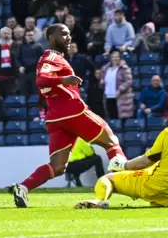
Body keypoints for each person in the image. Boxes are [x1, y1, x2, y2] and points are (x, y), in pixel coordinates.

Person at [8, 23, 127, 208]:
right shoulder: (52, 56)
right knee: (111, 141)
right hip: (72, 111)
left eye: (69, 34)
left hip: (55, 118)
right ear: (51, 37)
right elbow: (40, 80)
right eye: (63, 34)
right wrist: (64, 79)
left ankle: (23, 187)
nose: (68, 38)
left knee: (58, 167)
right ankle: (127, 180)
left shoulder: (52, 58)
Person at [101, 51, 134, 120]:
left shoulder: (124, 68)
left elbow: (129, 81)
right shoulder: (106, 69)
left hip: (121, 96)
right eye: (113, 57)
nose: (114, 58)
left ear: (119, 58)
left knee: (120, 118)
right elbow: (104, 80)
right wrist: (102, 82)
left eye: (116, 57)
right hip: (108, 96)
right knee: (111, 117)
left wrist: (120, 89)